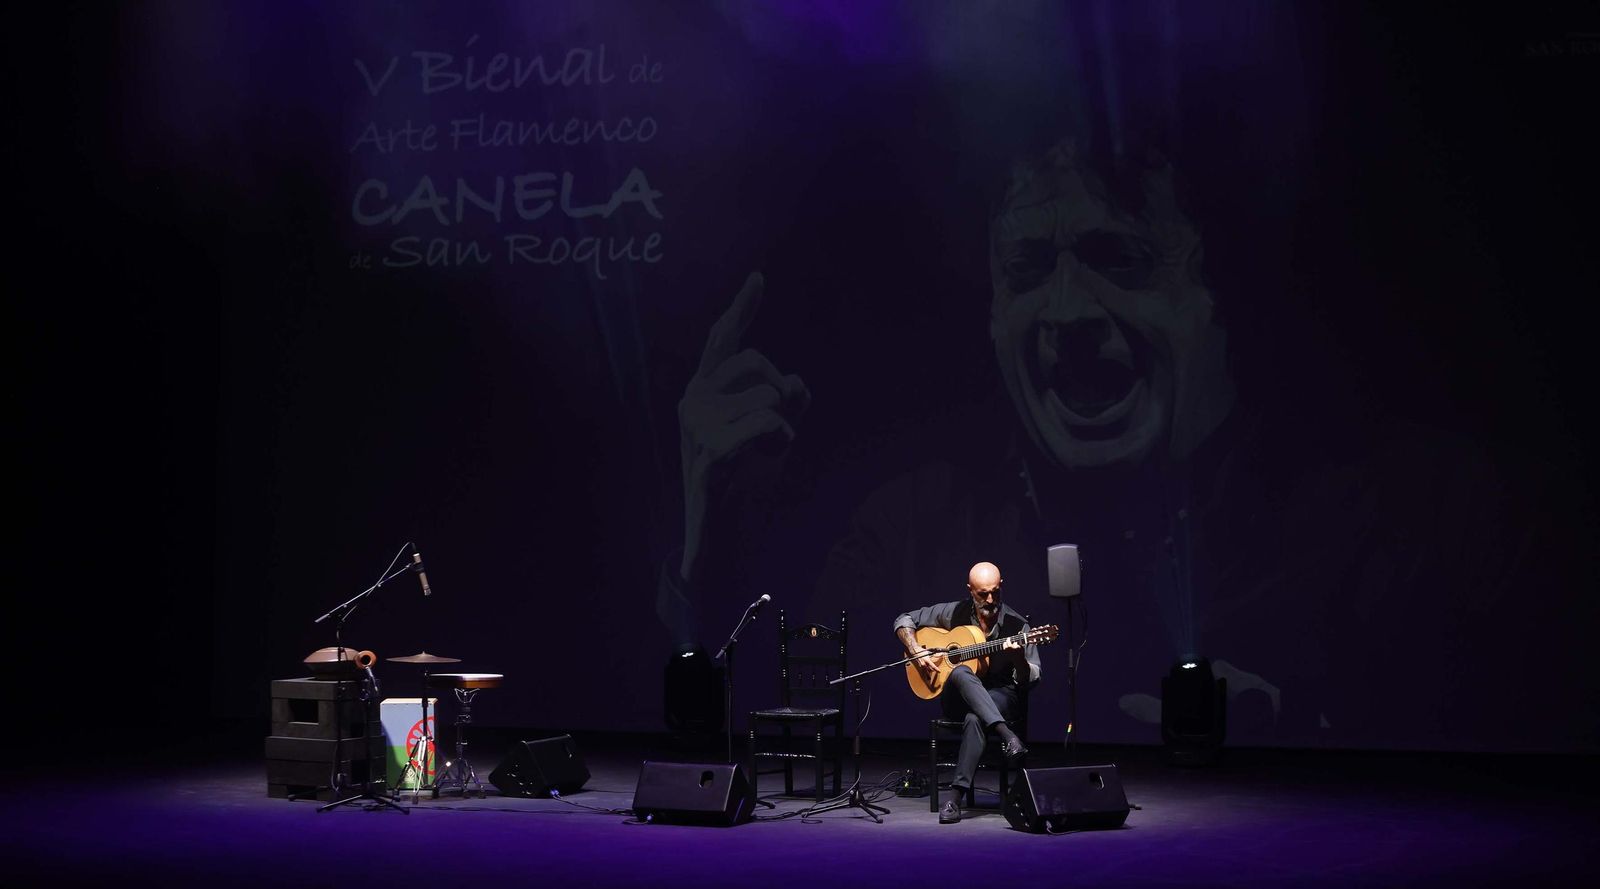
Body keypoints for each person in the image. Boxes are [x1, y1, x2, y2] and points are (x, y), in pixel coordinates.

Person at [895, 561, 1039, 824]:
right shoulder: (953, 612)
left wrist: (1018, 659)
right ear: (970, 589)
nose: (990, 599)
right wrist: (916, 650)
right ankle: (1008, 735)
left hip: (1000, 696)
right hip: (957, 697)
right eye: (983, 593)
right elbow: (904, 619)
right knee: (961, 672)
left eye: (995, 591)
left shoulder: (1018, 625)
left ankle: (954, 798)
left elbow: (1033, 677)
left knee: (976, 719)